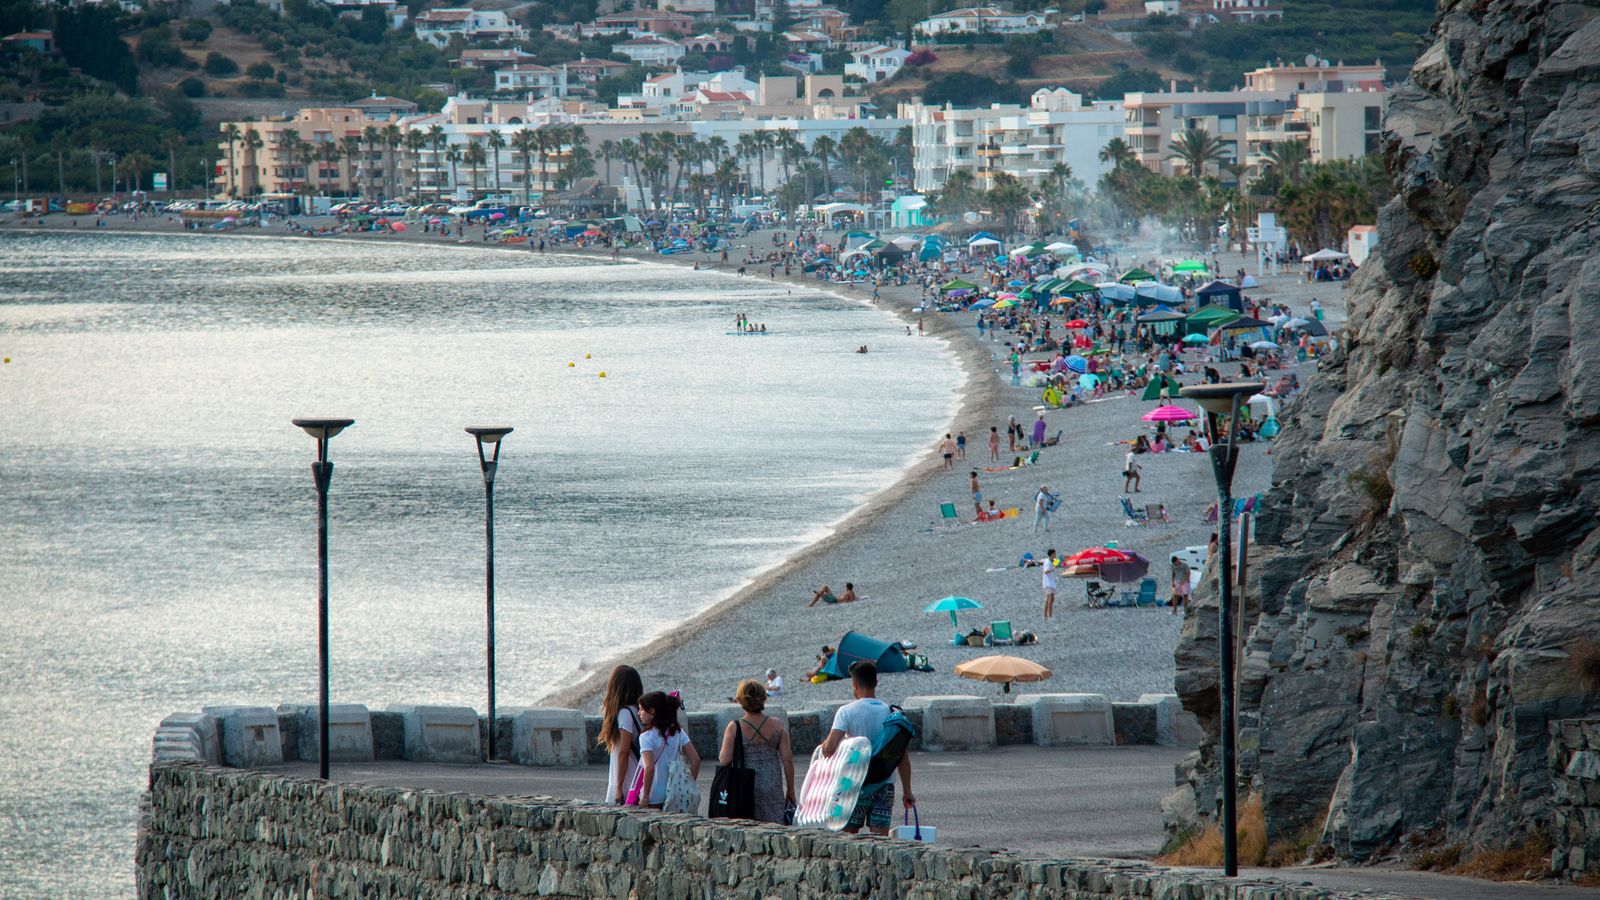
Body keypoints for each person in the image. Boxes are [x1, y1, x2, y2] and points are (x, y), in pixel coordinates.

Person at [821, 662, 913, 835]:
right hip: (884, 784)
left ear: (854, 685)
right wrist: (907, 791)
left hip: (855, 783)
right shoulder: (891, 713)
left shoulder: (846, 712)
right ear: (876, 683)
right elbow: (903, 758)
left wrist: (824, 745)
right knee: (880, 840)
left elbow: (829, 748)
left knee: (848, 837)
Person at [718, 680, 795, 823]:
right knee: (774, 827)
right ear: (763, 698)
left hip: (745, 786)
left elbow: (724, 760)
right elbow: (787, 760)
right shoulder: (777, 725)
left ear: (741, 700)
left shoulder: (734, 727)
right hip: (772, 786)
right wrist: (790, 790)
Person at [636, 691, 700, 809]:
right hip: (674, 792)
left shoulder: (646, 737)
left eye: (641, 709)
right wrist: (688, 785)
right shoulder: (678, 732)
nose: (638, 713)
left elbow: (649, 768)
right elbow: (696, 760)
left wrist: (645, 797)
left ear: (652, 711)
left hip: (654, 795)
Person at [599, 665, 644, 804]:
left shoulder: (625, 714)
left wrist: (618, 787)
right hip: (635, 778)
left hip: (627, 781)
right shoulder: (639, 711)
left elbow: (624, 752)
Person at [1041, 548, 1060, 618]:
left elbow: (1056, 563)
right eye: (1054, 554)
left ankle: (1046, 614)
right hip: (1048, 582)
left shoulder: (1051, 561)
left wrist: (1056, 562)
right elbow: (1046, 571)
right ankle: (1049, 615)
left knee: (1051, 599)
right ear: (1051, 554)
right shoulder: (1047, 562)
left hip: (1051, 582)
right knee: (1050, 598)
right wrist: (1053, 569)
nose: (1055, 555)